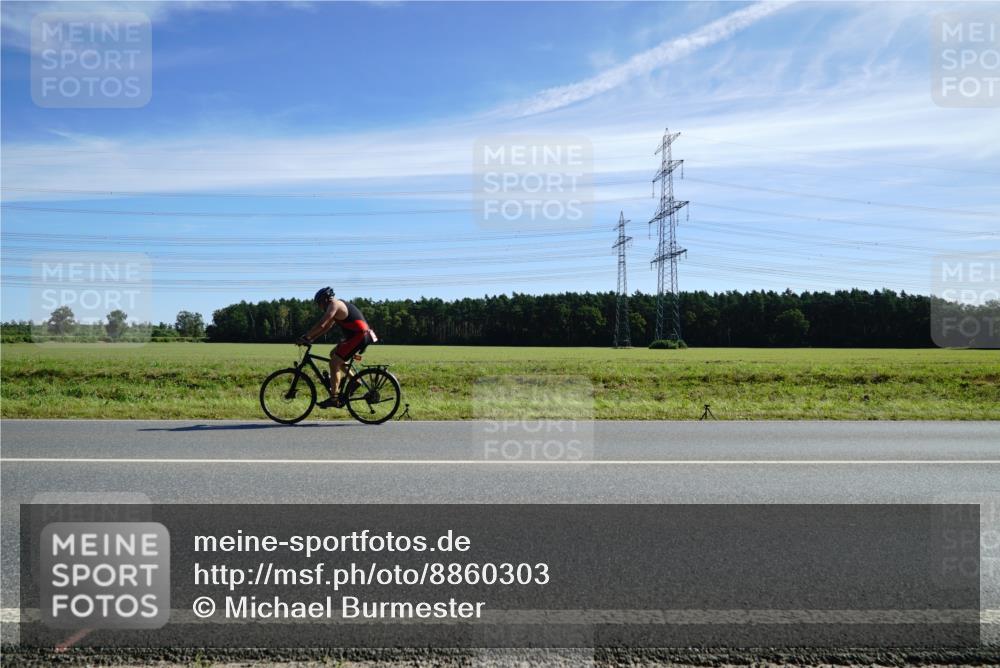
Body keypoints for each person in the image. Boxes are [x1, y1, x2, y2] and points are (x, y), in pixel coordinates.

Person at [297, 287, 378, 408]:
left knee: (334, 363)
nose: (319, 307)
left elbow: (322, 324)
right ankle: (354, 381)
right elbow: (327, 327)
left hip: (359, 336)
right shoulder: (335, 306)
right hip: (356, 336)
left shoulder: (334, 304)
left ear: (325, 300)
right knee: (333, 354)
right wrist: (312, 338)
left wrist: (306, 336)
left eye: (319, 303)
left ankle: (334, 398)